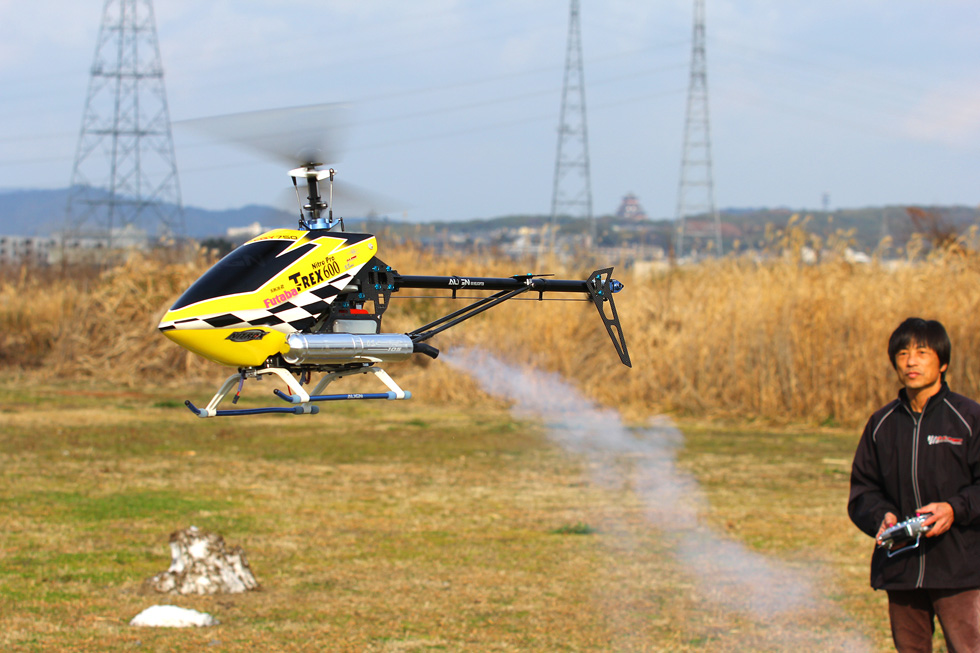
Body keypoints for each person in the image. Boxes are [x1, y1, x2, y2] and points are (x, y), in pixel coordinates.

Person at [849, 317, 980, 652]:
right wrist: (882, 517)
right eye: (903, 352)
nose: (911, 361)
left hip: (960, 568)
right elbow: (863, 490)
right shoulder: (881, 424)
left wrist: (954, 508)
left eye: (922, 352)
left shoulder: (969, 418)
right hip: (901, 566)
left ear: (943, 362)